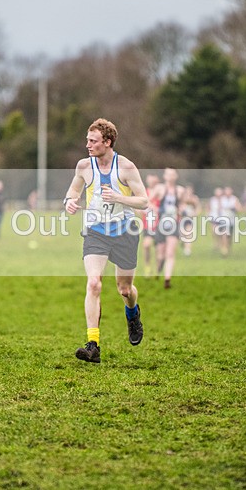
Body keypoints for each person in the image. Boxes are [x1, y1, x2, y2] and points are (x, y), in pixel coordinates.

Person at [62, 118, 148, 364]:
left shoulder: (126, 167)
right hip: (95, 232)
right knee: (94, 284)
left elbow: (144, 201)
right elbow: (73, 191)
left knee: (124, 289)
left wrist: (120, 198)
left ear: (107, 142)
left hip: (124, 233)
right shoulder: (83, 166)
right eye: (87, 140)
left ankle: (132, 313)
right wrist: (68, 201)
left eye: (93, 141)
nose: (87, 145)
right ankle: (93, 345)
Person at [153, 167, 186, 289]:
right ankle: (159, 268)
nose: (170, 176)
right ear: (165, 176)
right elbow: (149, 201)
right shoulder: (160, 189)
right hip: (161, 224)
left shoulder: (180, 191)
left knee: (170, 253)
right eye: (168, 174)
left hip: (173, 224)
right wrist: (155, 209)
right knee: (161, 255)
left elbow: (183, 204)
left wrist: (181, 210)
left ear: (176, 176)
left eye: (173, 174)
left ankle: (167, 279)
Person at [140, 174, 160, 278]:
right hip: (147, 225)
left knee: (158, 249)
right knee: (146, 245)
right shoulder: (144, 193)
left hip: (159, 225)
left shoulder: (161, 193)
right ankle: (147, 268)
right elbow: (139, 208)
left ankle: (157, 270)